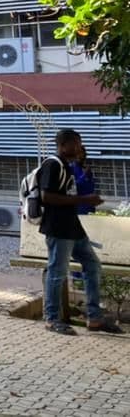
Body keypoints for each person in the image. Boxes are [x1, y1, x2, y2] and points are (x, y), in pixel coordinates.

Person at [40, 128, 123, 335]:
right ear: (63, 145)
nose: (79, 148)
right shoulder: (53, 164)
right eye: (76, 143)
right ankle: (52, 319)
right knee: (57, 273)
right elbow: (47, 196)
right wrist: (84, 200)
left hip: (73, 227)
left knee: (92, 265)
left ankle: (94, 318)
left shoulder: (68, 167)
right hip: (59, 228)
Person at [70, 146, 97, 216]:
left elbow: (91, 188)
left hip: (89, 207)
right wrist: (84, 175)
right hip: (78, 209)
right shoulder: (70, 168)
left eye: (83, 154)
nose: (81, 156)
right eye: (78, 154)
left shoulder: (85, 169)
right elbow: (73, 187)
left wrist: (89, 177)